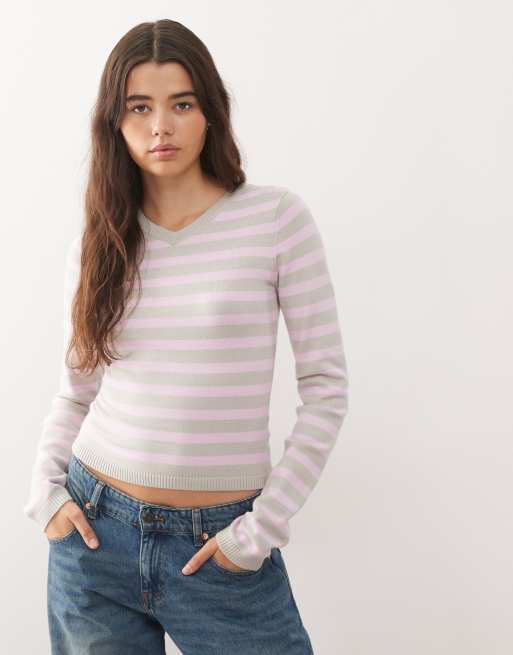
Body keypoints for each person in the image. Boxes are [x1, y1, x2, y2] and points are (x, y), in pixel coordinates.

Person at [23, 18, 349, 655]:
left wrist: (259, 531)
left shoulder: (275, 220)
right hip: (94, 533)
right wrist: (45, 494)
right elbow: (76, 390)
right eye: (139, 107)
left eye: (181, 104)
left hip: (221, 545)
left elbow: (326, 389)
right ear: (115, 122)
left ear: (211, 112)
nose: (160, 127)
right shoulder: (100, 239)